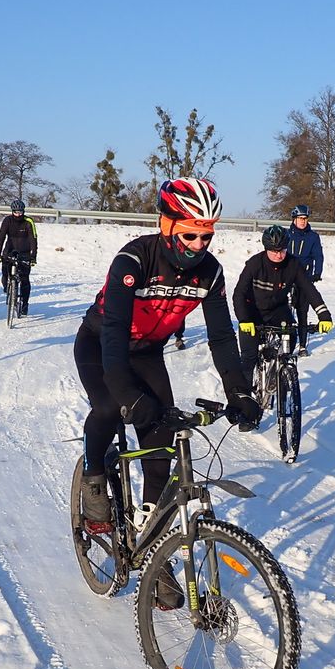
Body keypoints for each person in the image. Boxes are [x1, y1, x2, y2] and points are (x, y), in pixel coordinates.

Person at [73, 178, 262, 548]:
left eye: (206, 237)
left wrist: (239, 391)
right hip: (100, 345)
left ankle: (151, 542)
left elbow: (221, 337)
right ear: (168, 226)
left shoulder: (211, 273)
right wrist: (128, 394)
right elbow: (112, 332)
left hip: (147, 352)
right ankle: (94, 475)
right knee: (111, 407)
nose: (198, 246)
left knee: (162, 444)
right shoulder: (134, 261)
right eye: (191, 236)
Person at [233, 225, 334, 385]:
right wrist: (244, 320)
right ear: (266, 249)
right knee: (248, 358)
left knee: (291, 336)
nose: (279, 255)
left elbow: (309, 290)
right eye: (274, 251)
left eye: (282, 250)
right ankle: (244, 399)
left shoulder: (293, 264)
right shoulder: (255, 264)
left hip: (278, 310)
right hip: (252, 311)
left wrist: (324, 316)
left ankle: (278, 370)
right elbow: (239, 293)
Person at [285, 204, 325, 354]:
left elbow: (318, 256)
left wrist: (317, 273)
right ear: (294, 219)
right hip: (287, 277)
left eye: (305, 218)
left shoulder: (313, 237)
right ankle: (284, 343)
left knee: (302, 312)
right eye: (300, 218)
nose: (303, 221)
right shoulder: (287, 234)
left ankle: (302, 345)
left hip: (305, 277)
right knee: (284, 311)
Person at [0, 199, 38, 317]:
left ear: (23, 211)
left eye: (20, 212)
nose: (18, 214)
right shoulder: (7, 220)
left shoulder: (28, 221)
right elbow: (1, 236)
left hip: (25, 252)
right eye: (16, 212)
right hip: (10, 250)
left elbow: (33, 239)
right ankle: (7, 287)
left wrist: (33, 256)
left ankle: (24, 304)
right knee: (5, 272)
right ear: (12, 211)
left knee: (24, 279)